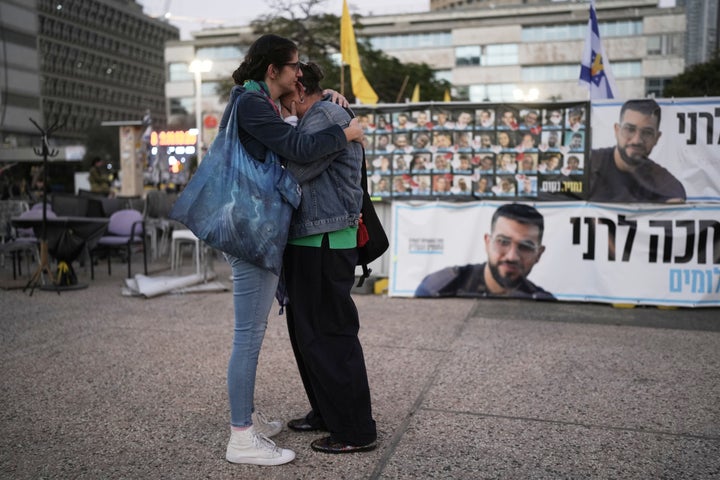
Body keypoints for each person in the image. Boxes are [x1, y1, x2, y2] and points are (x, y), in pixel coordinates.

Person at [222, 34, 363, 466]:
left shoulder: (290, 110)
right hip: (270, 233)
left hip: (302, 235)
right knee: (275, 335)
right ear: (275, 73)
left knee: (314, 334)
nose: (297, 73)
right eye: (294, 65)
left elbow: (295, 154)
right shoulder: (258, 105)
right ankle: (253, 431)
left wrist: (336, 117)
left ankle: (348, 428)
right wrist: (345, 127)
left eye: (302, 71)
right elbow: (295, 152)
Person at [279, 62, 377, 454]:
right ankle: (326, 412)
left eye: (284, 94)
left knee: (330, 337)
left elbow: (293, 170)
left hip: (325, 239)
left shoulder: (328, 116)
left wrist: (340, 130)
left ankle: (355, 430)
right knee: (308, 336)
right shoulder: (321, 115)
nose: (281, 103)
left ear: (299, 87)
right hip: (311, 239)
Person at [415, 203, 554, 300]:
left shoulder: (544, 305)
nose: (512, 256)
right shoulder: (439, 289)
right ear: (488, 242)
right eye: (503, 242)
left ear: (539, 254)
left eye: (525, 247)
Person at [588, 99, 686, 203]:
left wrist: (674, 207)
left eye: (647, 133)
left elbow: (676, 199)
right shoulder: (589, 165)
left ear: (657, 138)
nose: (637, 140)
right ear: (617, 131)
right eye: (630, 129)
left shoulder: (663, 182)